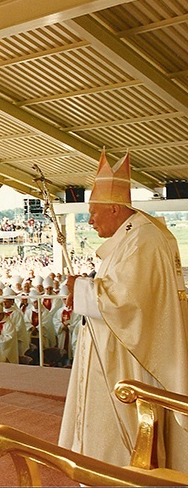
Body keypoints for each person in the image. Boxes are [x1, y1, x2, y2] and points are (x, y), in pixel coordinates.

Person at [59, 150, 188, 471]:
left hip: (129, 359)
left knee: (124, 442)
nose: (89, 220)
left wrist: (81, 289)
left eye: (94, 212)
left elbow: (127, 302)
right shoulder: (134, 236)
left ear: (115, 209)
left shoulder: (143, 239)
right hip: (119, 351)